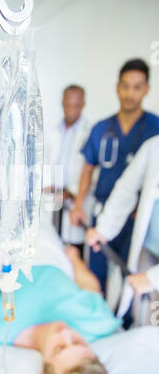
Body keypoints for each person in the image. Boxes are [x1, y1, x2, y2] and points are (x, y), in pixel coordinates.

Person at [0, 222, 121, 374]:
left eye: (59, 348)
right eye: (79, 342)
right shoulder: (98, 323)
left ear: (42, 368)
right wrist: (74, 258)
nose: (65, 333)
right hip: (46, 240)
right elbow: (90, 287)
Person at [70, 59, 159, 295]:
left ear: (146, 89)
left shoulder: (155, 129)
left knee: (131, 283)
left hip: (136, 222)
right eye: (125, 86)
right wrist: (78, 205)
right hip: (104, 214)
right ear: (117, 87)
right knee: (96, 275)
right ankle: (99, 315)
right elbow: (91, 170)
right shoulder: (101, 128)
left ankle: (124, 325)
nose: (130, 93)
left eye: (137, 87)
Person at [86, 135, 159, 322]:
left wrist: (154, 278)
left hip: (153, 271)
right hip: (150, 249)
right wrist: (104, 229)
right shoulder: (153, 146)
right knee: (145, 319)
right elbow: (126, 188)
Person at [44, 85, 92, 251]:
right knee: (52, 245)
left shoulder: (89, 133)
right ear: (62, 102)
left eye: (76, 105)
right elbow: (46, 162)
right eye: (68, 104)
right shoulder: (52, 131)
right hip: (53, 196)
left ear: (83, 104)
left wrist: (72, 192)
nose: (71, 109)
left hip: (75, 200)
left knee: (73, 249)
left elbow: (91, 169)